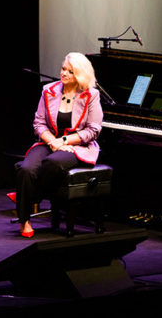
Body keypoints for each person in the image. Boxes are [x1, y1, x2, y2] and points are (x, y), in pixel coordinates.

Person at [9, 52, 103, 238]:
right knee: (26, 169)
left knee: (52, 163)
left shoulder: (91, 95)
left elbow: (93, 130)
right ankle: (24, 220)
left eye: (71, 71)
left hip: (76, 145)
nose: (64, 73)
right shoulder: (48, 90)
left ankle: (26, 196)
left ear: (81, 75)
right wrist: (53, 141)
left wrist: (64, 141)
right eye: (63, 69)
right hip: (48, 142)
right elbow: (38, 123)